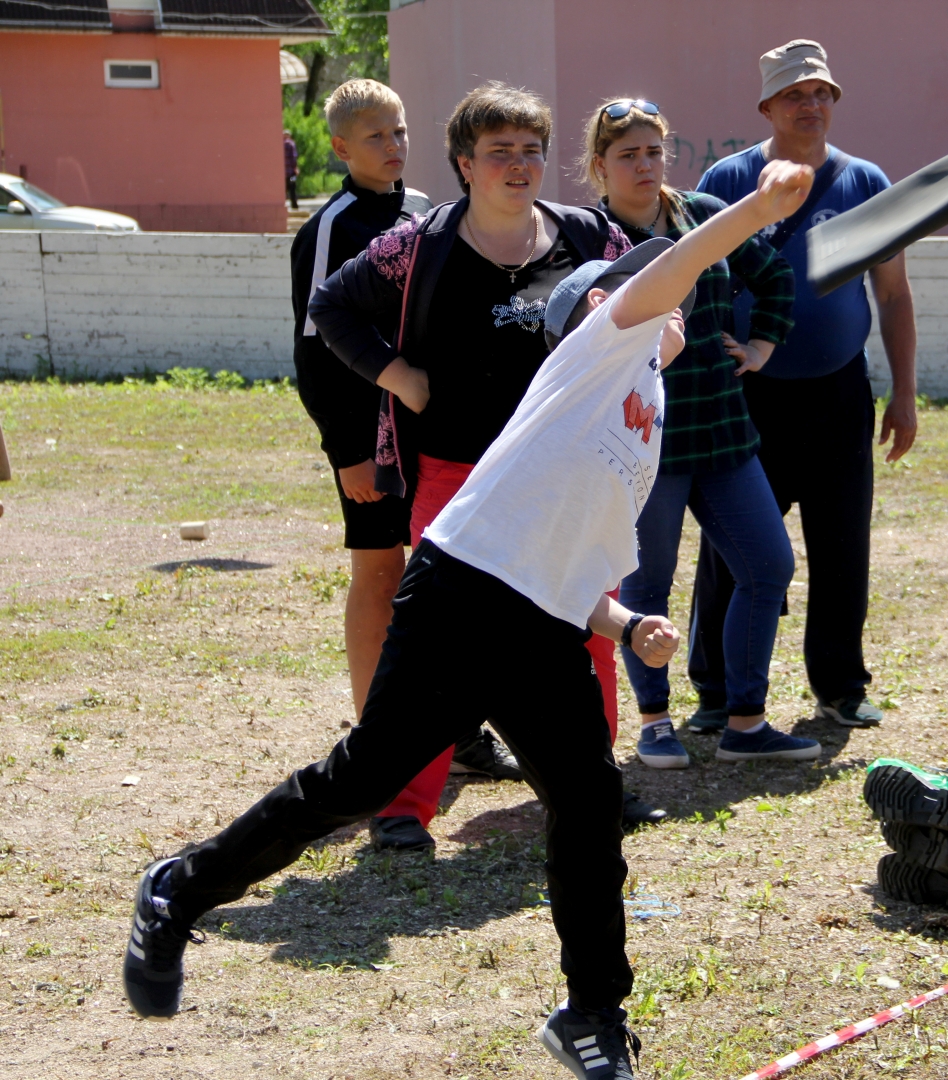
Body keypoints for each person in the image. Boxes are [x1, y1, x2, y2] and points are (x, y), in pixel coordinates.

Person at [120, 158, 821, 1080]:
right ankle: (181, 888)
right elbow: (672, 273)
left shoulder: (643, 407)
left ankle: (592, 1014)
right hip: (461, 593)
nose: (667, 296)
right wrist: (759, 210)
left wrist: (622, 627)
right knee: (362, 779)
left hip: (542, 622)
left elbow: (565, 555)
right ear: (597, 308)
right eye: (642, 284)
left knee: (587, 800)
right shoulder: (594, 351)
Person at [304, 82, 659, 849]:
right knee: (439, 644)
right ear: (465, 163)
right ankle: (400, 809)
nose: (519, 165)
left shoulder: (591, 236)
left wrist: (656, 338)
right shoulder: (418, 246)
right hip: (456, 474)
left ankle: (591, 791)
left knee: (583, 633)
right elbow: (332, 307)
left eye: (532, 150)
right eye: (500, 152)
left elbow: (662, 305)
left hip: (567, 475)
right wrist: (398, 376)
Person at [292, 82, 525, 839]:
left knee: (452, 584)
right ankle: (379, 747)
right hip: (372, 444)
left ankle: (454, 735)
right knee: (383, 578)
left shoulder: (425, 212)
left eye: (399, 131)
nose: (392, 147)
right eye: (373, 137)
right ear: (338, 148)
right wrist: (348, 452)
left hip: (434, 440)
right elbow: (314, 346)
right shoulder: (331, 226)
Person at [686, 39, 919, 730]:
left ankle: (841, 684)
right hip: (747, 393)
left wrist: (903, 392)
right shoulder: (727, 181)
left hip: (838, 391)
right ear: (767, 107)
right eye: (794, 95)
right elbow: (696, 278)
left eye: (821, 93)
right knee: (732, 545)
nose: (811, 105)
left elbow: (895, 295)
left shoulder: (865, 183)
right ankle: (718, 692)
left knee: (843, 542)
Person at [579, 98, 818, 766]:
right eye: (627, 155)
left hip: (721, 429)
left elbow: (772, 276)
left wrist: (762, 345)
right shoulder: (586, 238)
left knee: (768, 565)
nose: (645, 166)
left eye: (654, 151)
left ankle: (746, 722)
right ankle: (655, 723)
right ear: (599, 167)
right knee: (644, 586)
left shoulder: (705, 217)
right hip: (638, 441)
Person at [283, 129, 300, 211]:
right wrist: (295, 168)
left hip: (282, 172)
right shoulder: (291, 144)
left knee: (284, 189)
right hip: (290, 171)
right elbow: (293, 157)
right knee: (292, 188)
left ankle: (284, 205)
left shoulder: (280, 143)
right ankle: (294, 205)